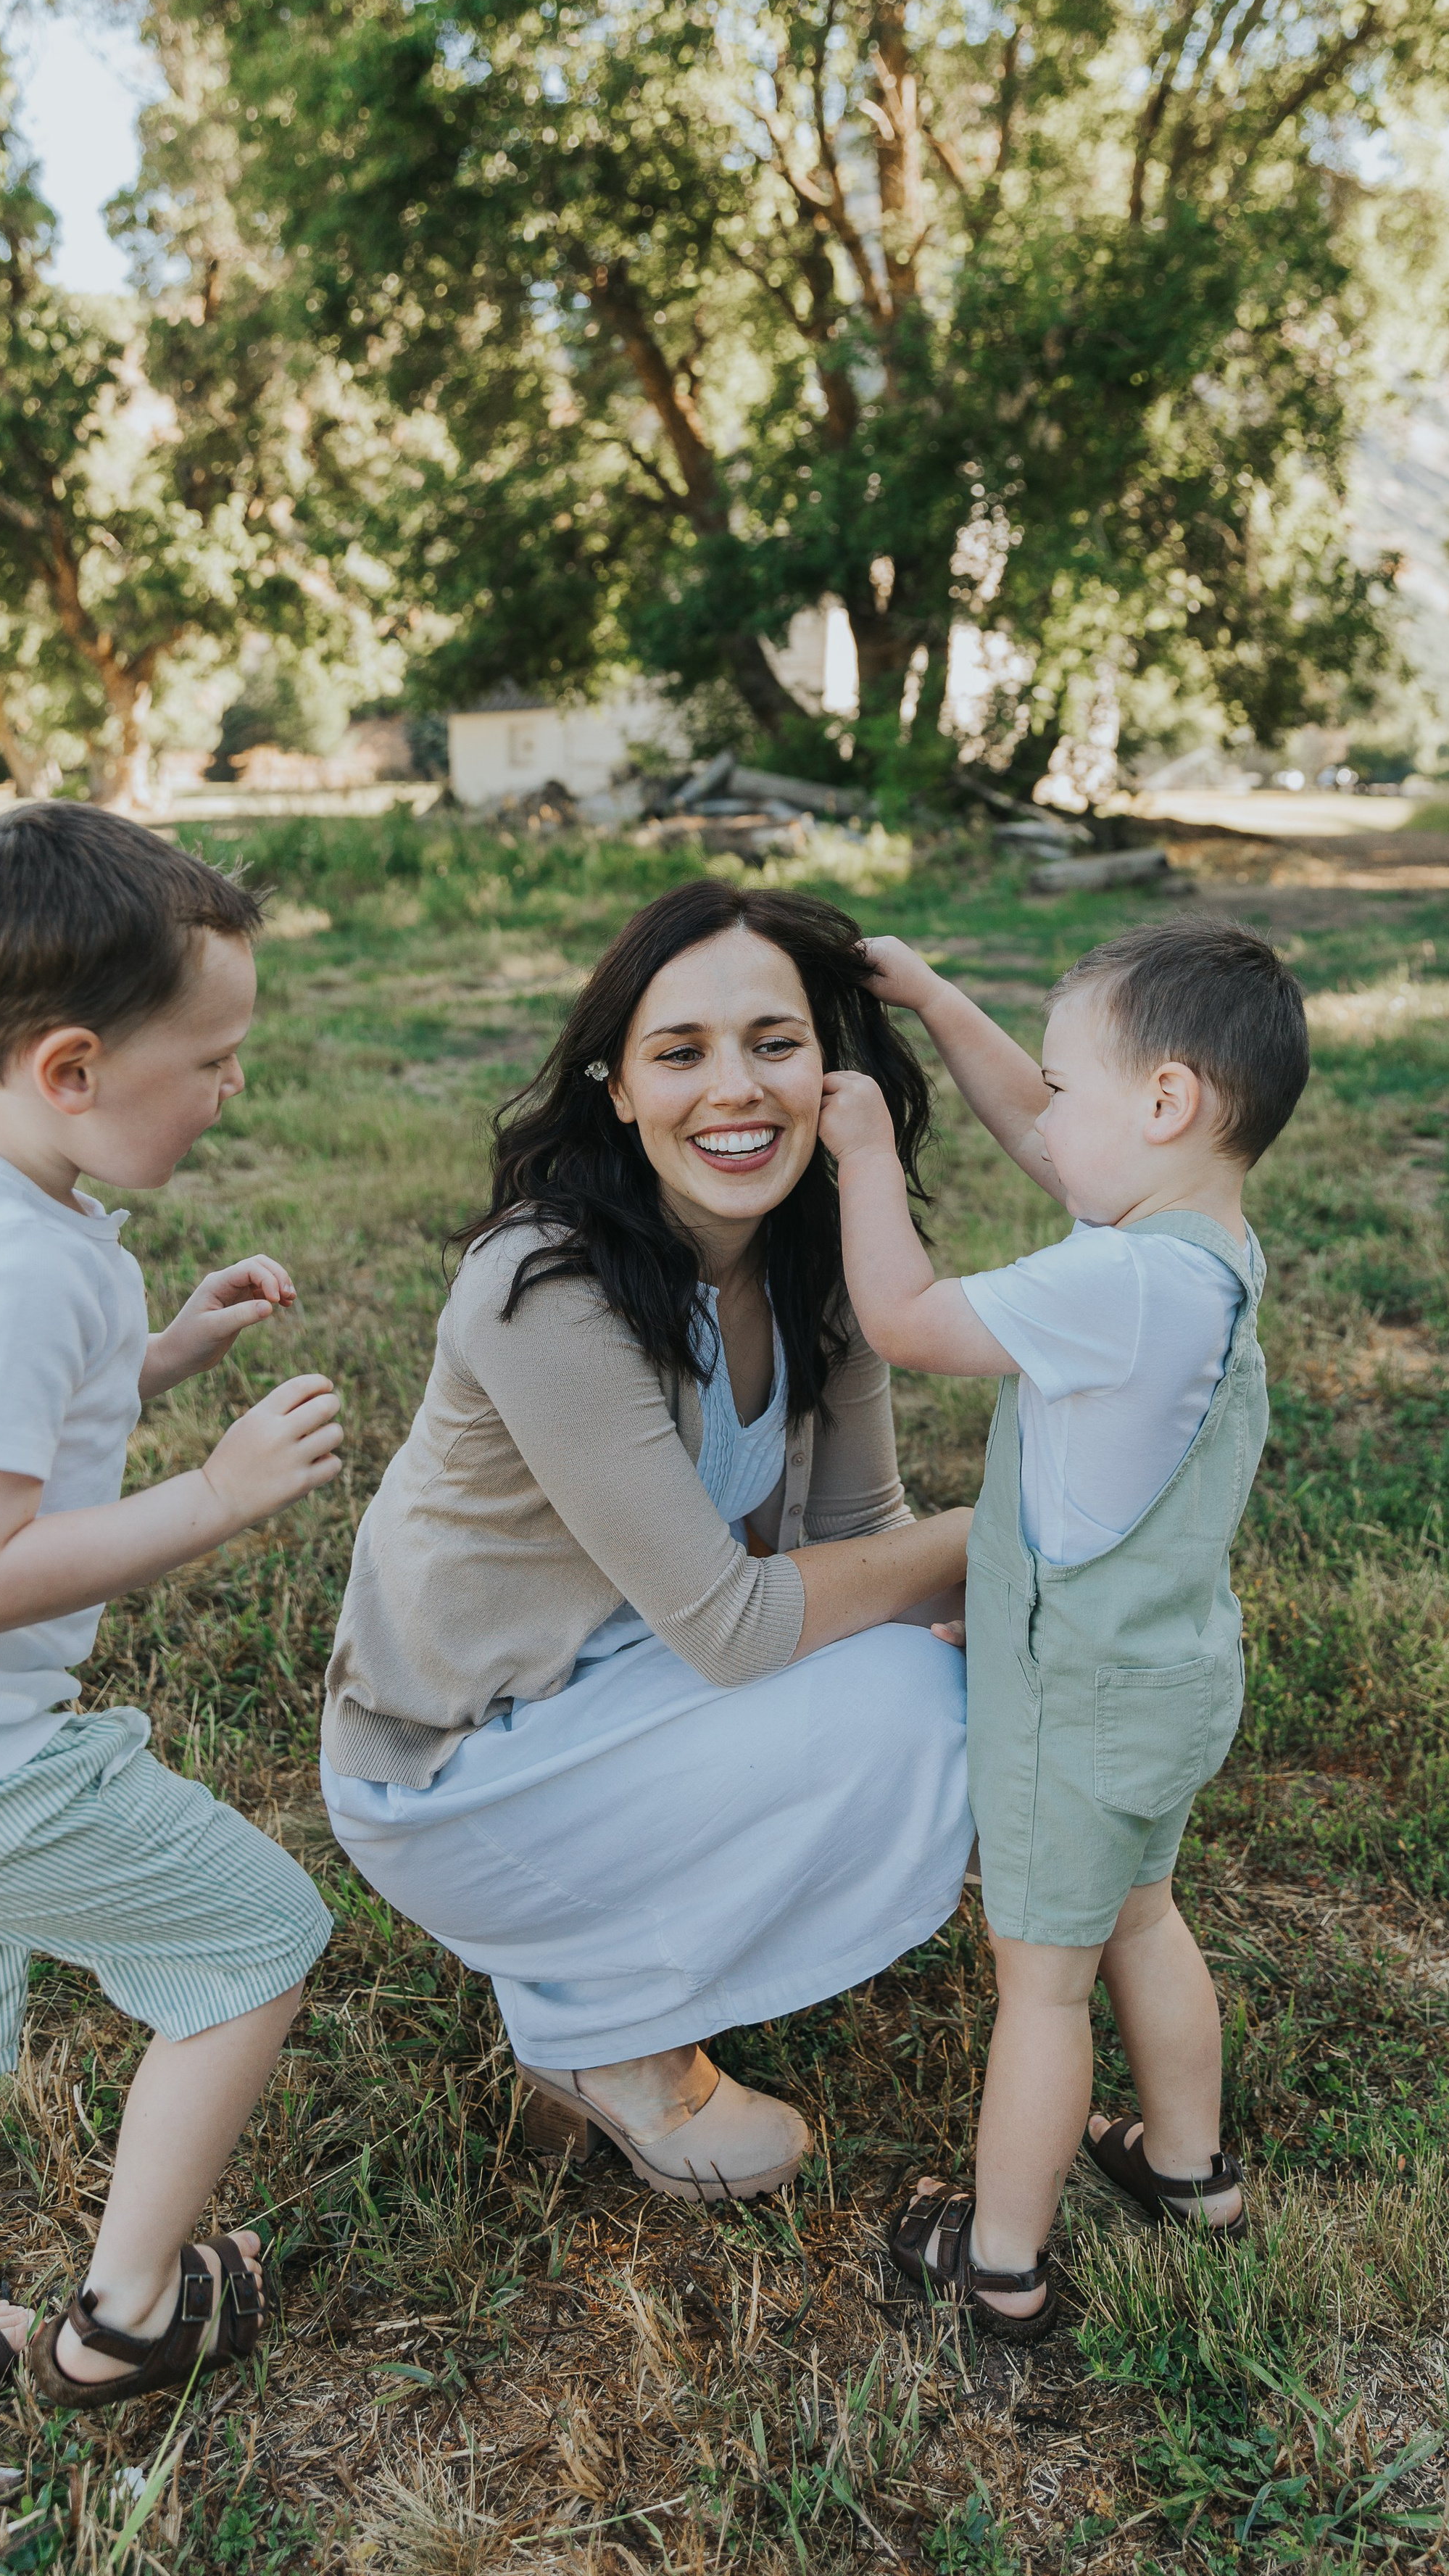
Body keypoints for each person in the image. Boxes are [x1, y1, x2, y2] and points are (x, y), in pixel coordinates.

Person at [321, 880, 974, 2201]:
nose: (735, 1088)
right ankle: (604, 2034)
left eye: (774, 1044)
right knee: (910, 1689)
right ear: (617, 1087)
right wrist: (991, 1537)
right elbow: (737, 1626)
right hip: (454, 1768)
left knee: (950, 1672)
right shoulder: (542, 1283)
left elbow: (858, 1528)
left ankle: (609, 1974)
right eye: (681, 1053)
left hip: (625, 1680)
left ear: (827, 1064)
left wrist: (942, 1592)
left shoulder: (819, 1259)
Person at [0, 805, 342, 2437]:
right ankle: (133, 2318)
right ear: (70, 1069)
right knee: (253, 1937)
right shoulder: (16, 1270)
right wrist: (212, 1493)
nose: (229, 1090)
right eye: (210, 1059)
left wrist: (162, 1357)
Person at [817, 916, 1310, 2336]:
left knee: (1038, 1987)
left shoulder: (1110, 1287)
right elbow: (1043, 1130)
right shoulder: (1201, 1243)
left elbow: (905, 1319)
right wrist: (924, 994)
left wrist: (862, 1154)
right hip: (1167, 1676)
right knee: (1141, 1914)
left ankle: (1002, 2267)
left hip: (1075, 1696)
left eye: (1068, 1088)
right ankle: (1186, 2173)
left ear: (1161, 1104)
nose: (1041, 1117)